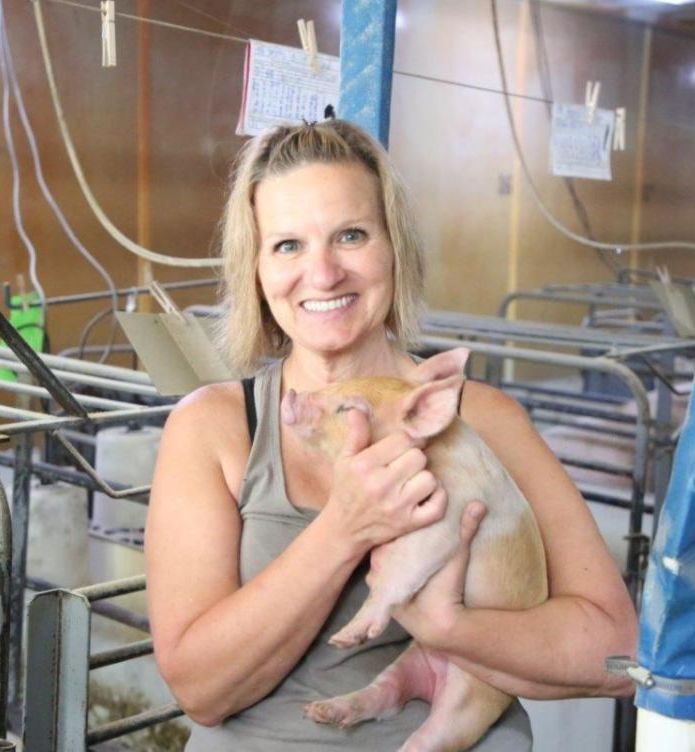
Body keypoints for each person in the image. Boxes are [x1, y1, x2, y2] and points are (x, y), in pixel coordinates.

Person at [145, 119, 637, 751]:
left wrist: (447, 627)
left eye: (351, 235)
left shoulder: (479, 419)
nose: (322, 275)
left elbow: (614, 653)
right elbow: (201, 689)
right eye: (288, 245)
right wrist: (347, 526)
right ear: (257, 270)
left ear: (394, 247)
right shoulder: (212, 427)